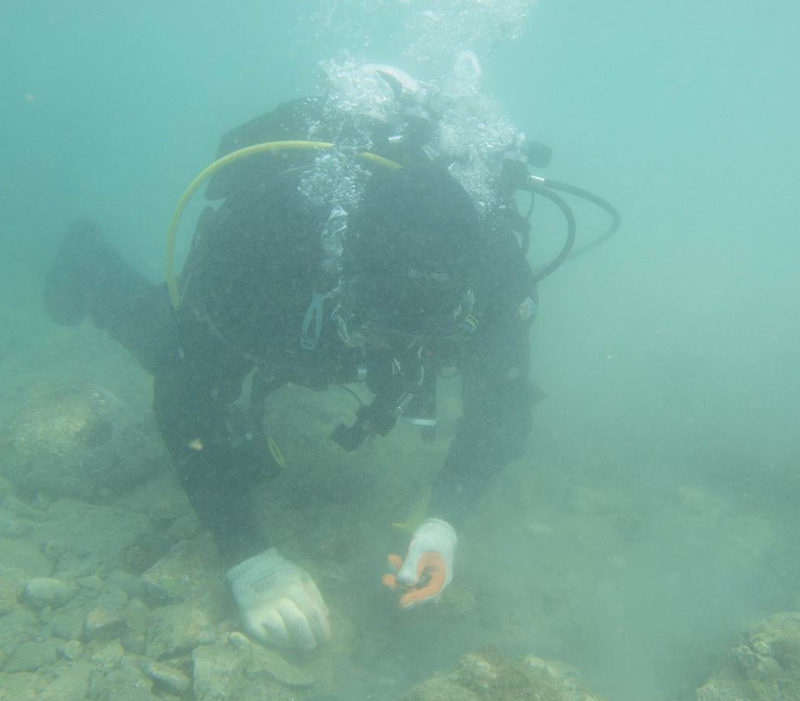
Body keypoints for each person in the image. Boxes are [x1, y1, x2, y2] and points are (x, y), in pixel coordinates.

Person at [43, 67, 547, 652]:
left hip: (349, 307)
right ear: (342, 269)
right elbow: (184, 393)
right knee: (163, 343)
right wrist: (247, 557)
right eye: (379, 328)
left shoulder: (492, 270)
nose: (394, 350)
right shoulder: (272, 238)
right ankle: (87, 256)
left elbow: (503, 407)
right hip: (289, 308)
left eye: (423, 335)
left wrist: (443, 524)